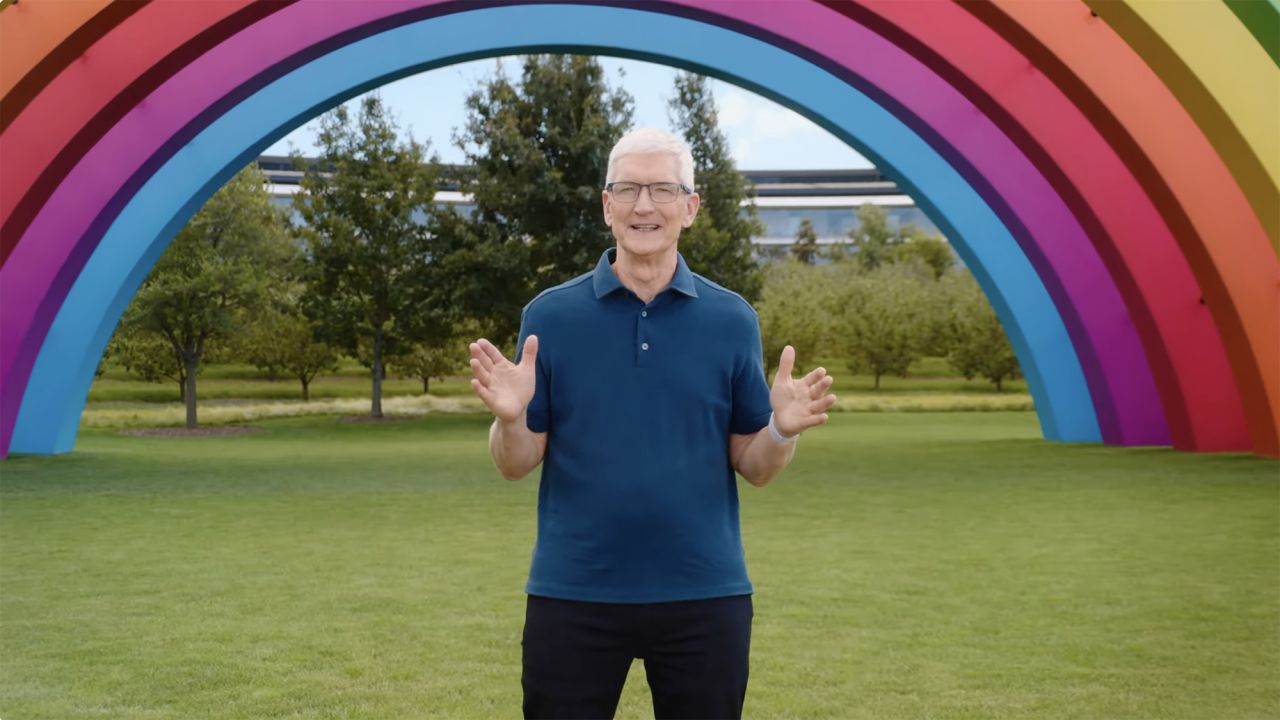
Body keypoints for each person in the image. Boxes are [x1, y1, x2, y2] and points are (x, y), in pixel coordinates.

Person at [468, 127, 837, 719]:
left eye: (663, 189)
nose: (645, 205)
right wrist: (511, 419)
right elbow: (515, 463)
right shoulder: (550, 317)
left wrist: (781, 430)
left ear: (690, 207)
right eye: (629, 189)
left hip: (705, 596)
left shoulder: (731, 319)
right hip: (574, 594)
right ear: (605, 204)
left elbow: (755, 466)